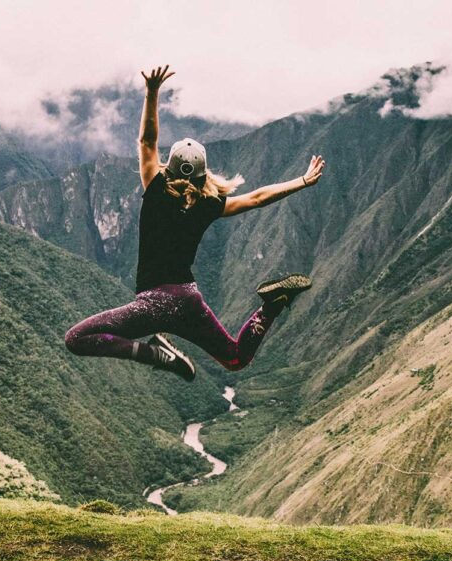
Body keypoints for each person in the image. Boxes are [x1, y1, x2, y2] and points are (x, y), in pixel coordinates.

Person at [64, 64, 326, 381]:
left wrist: (151, 92)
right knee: (235, 358)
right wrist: (301, 181)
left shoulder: (156, 190)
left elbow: (147, 142)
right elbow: (257, 198)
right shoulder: (209, 204)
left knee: (77, 338)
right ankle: (271, 306)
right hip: (188, 300)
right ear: (204, 174)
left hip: (153, 304)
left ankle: (157, 355)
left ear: (168, 168)